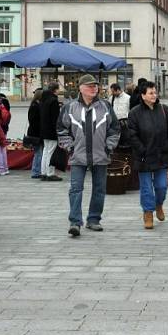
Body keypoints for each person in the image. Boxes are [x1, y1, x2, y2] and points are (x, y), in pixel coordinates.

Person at [56, 74, 121, 237]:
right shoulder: (70, 107)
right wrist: (70, 148)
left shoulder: (105, 106)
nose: (93, 88)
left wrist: (109, 147)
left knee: (99, 189)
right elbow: (61, 130)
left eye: (95, 86)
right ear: (81, 88)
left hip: (101, 155)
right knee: (76, 189)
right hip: (78, 155)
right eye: (90, 86)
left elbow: (115, 129)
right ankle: (75, 222)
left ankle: (94, 219)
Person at [128, 81, 168, 230]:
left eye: (155, 92)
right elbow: (132, 135)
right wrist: (142, 149)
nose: (154, 95)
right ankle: (148, 213)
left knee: (161, 186)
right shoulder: (134, 113)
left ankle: (159, 204)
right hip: (144, 157)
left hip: (161, 155)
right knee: (146, 188)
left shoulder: (164, 110)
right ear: (143, 95)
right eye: (151, 93)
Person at [39, 81, 62, 182]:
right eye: (58, 89)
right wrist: (58, 130)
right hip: (52, 130)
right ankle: (50, 173)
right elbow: (55, 118)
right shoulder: (53, 101)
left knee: (45, 151)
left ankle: (43, 172)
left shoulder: (43, 99)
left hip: (44, 129)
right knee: (51, 152)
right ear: (55, 90)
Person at [27, 88, 44, 179]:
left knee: (38, 152)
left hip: (35, 133)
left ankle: (37, 170)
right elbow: (33, 121)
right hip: (35, 134)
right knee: (38, 153)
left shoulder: (35, 105)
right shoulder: (35, 106)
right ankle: (35, 171)